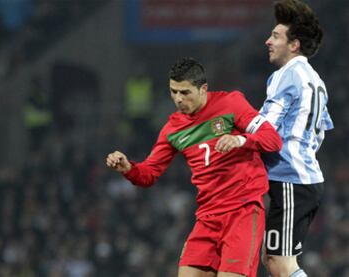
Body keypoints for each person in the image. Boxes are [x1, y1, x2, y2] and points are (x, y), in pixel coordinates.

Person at [106, 57, 283, 277]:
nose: (178, 99)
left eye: (185, 92)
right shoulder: (173, 128)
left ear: (203, 89)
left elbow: (272, 139)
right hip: (207, 217)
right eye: (173, 92)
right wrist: (128, 168)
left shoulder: (231, 103)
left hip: (242, 211)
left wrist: (241, 140)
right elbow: (149, 174)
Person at [259, 1, 334, 277]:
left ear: (294, 45)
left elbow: (265, 126)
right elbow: (321, 131)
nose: (268, 41)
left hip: (291, 179)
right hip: (300, 179)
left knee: (280, 264)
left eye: (276, 36)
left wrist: (237, 138)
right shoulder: (315, 79)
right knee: (272, 258)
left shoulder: (286, 74)